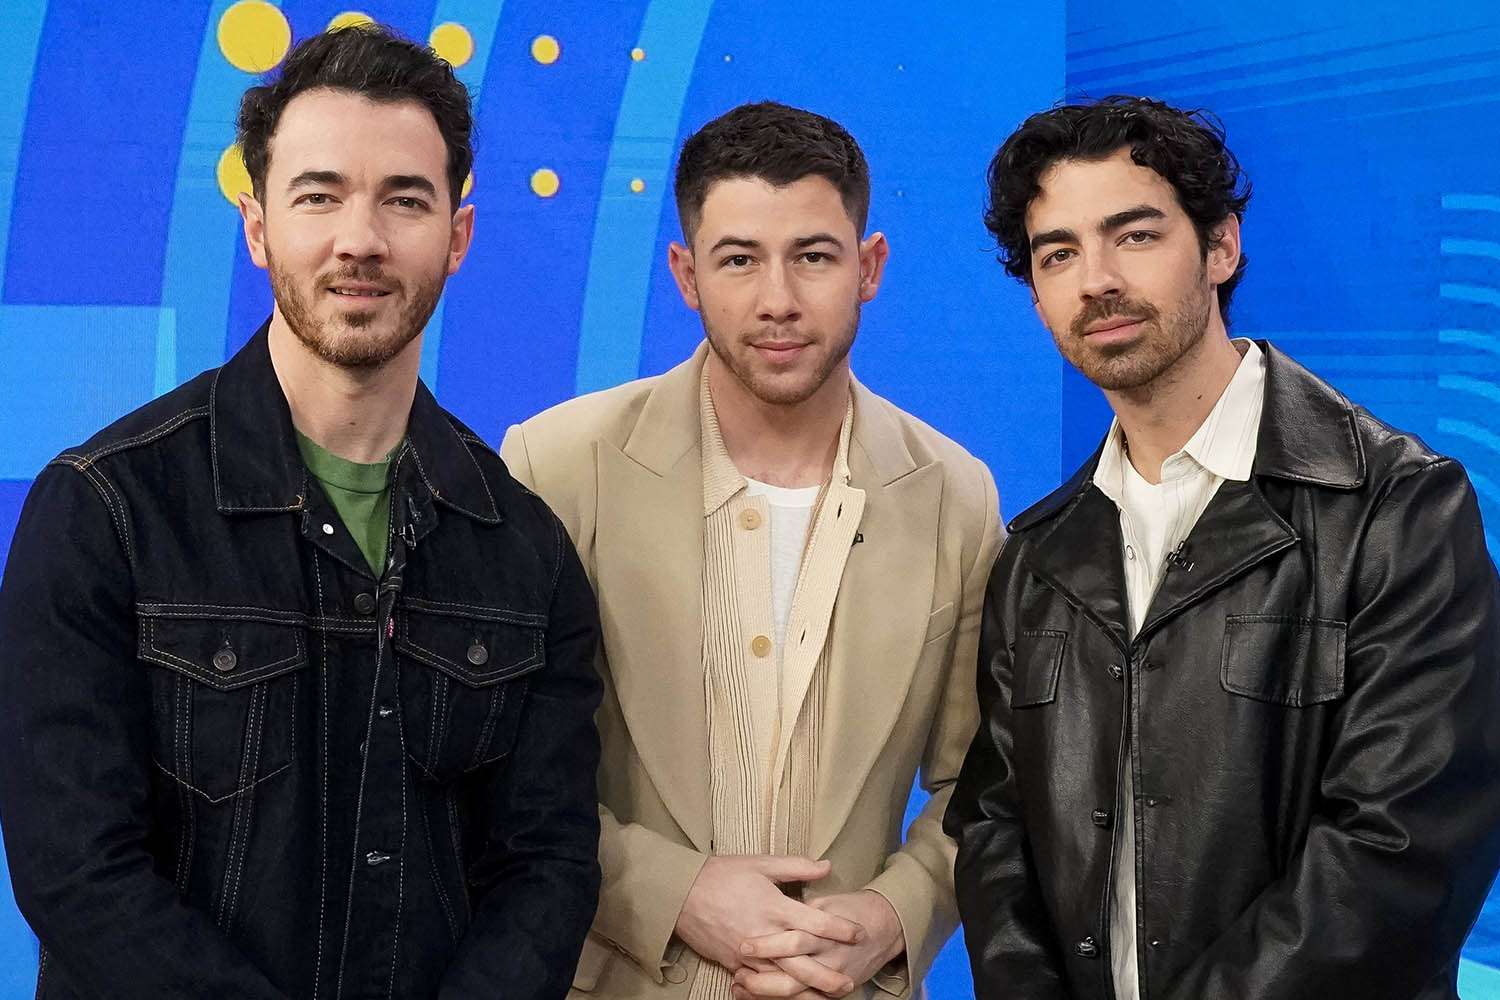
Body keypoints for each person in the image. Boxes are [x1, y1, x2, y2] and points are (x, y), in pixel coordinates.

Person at [0, 24, 601, 1000]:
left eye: (404, 199)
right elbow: (75, 870)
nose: (360, 239)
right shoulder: (106, 508)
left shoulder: (527, 552)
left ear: (458, 236)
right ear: (257, 225)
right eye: (319, 195)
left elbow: (547, 871)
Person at [944, 94, 1500, 999]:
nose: (1096, 281)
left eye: (1134, 235)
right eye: (1058, 254)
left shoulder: (1397, 507)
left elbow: (1403, 855)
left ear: (1221, 246)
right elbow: (994, 829)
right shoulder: (1037, 555)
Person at [500, 101, 1002, 1000]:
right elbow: (499, 762)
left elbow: (986, 780)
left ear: (869, 268)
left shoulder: (956, 497)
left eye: (813, 256)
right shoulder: (558, 466)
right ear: (686, 274)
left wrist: (891, 917)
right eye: (739, 260)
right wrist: (672, 892)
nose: (778, 300)